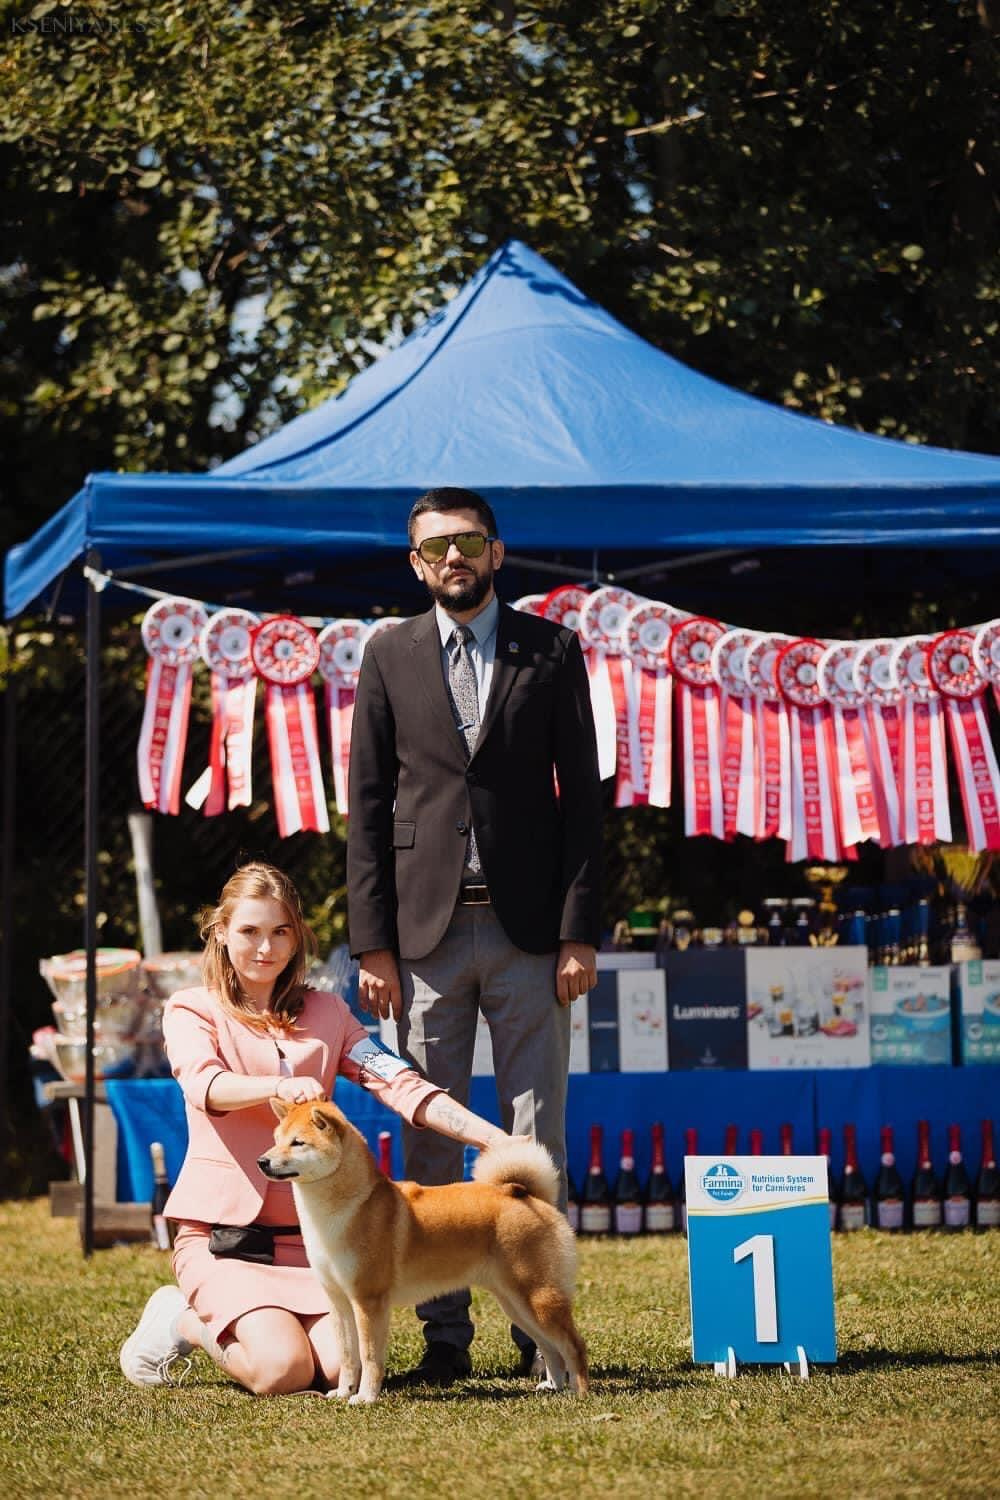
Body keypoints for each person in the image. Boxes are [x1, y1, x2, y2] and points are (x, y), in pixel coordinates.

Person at [347, 486, 603, 1386]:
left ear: (495, 552)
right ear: (415, 564)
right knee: (427, 1140)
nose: (451, 558)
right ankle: (442, 1342)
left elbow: (585, 802)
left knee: (535, 1138)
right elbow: (369, 806)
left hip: (533, 933)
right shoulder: (387, 653)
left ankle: (539, 1340)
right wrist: (371, 943)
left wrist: (579, 933)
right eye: (434, 548)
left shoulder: (554, 648)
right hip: (421, 939)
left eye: (466, 542)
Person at [119, 861, 518, 1396]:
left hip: (316, 1247)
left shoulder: (329, 1012)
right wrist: (273, 1087)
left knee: (334, 1371)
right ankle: (179, 1318)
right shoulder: (192, 1009)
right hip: (225, 1242)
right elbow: (205, 1086)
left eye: (281, 932)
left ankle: (274, 1328)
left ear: (298, 936)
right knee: (282, 1371)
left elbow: (398, 1081)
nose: (267, 948)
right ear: (221, 933)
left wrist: (490, 1137)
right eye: (250, 932)